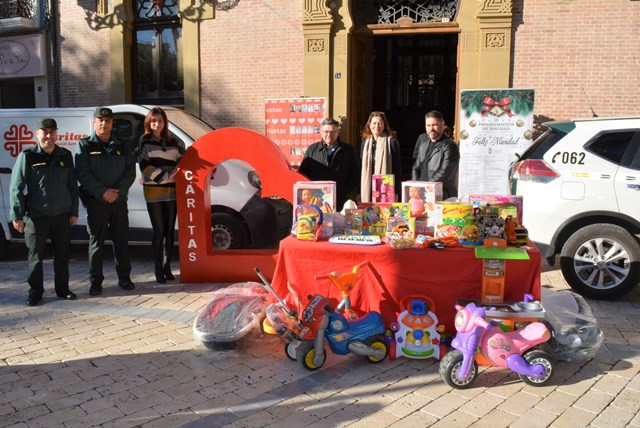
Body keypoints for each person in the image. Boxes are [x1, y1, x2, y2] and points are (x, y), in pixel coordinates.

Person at [9, 118, 79, 306]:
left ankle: (63, 289)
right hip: (36, 216)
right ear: (37, 134)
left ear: (57, 134)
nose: (49, 136)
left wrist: (74, 212)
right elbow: (16, 187)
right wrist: (16, 215)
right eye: (45, 132)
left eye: (52, 132)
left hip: (61, 215)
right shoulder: (28, 156)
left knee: (63, 255)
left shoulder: (65, 155)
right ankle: (35, 293)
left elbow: (73, 186)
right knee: (35, 256)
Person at [75, 107, 136, 296]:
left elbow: (130, 172)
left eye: (108, 121)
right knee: (96, 243)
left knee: (121, 241)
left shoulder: (123, 145)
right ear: (94, 122)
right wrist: (103, 193)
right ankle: (95, 282)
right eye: (100, 120)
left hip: (118, 201)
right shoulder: (84, 145)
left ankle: (124, 278)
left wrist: (116, 193)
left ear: (112, 123)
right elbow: (83, 174)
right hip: (96, 202)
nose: (104, 123)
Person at [138, 107, 184, 284]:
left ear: (165, 122)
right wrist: (165, 176)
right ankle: (157, 268)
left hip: (172, 192)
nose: (157, 123)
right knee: (159, 231)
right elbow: (144, 166)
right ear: (149, 123)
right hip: (154, 193)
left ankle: (167, 267)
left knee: (170, 232)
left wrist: (177, 168)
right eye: (154, 120)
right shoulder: (144, 141)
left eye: (160, 120)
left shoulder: (171, 142)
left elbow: (181, 160)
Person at [298, 117, 359, 211]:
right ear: (321, 132)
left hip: (340, 199)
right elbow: (303, 173)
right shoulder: (312, 149)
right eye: (326, 131)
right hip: (316, 200)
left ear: (338, 132)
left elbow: (355, 174)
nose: (329, 135)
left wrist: (344, 190)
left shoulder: (348, 150)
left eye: (332, 132)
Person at [412, 110, 460, 199]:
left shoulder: (450, 145)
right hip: (423, 194)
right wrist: (416, 185)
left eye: (434, 125)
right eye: (428, 125)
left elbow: (445, 173)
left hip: (442, 195)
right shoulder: (423, 145)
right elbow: (416, 167)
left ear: (442, 125)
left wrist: (427, 187)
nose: (431, 129)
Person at [360, 111, 402, 203]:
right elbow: (361, 167)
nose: (377, 126)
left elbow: (397, 168)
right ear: (369, 125)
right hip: (368, 185)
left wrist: (396, 192)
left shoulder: (391, 142)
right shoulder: (365, 143)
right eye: (374, 123)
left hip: (385, 187)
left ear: (384, 125)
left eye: (380, 123)